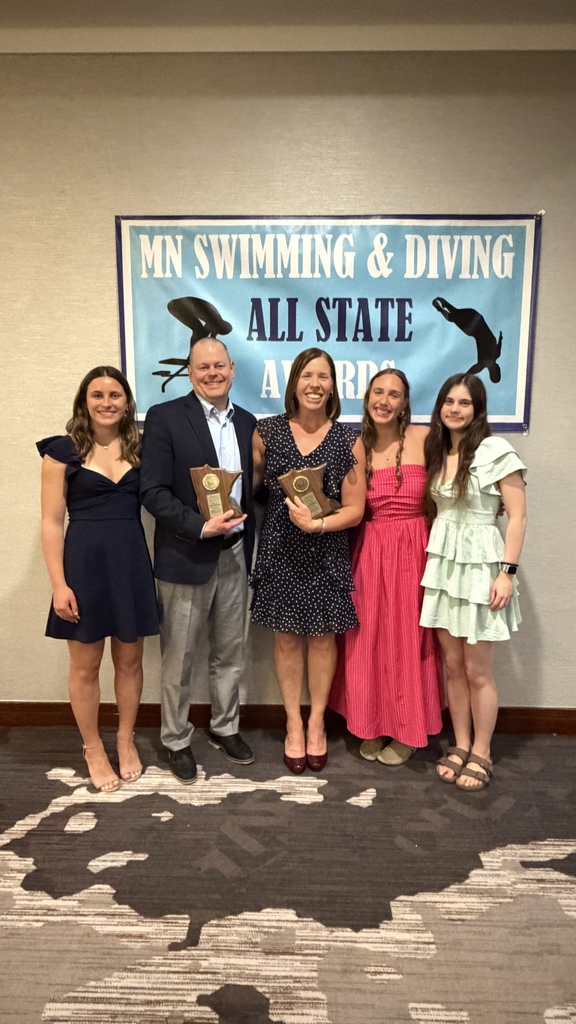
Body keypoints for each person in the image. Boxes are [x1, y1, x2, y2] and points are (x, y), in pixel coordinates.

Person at [140, 336, 256, 784]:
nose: (212, 373)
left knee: (230, 653)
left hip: (235, 554)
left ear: (232, 370)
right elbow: (152, 491)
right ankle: (175, 739)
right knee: (179, 658)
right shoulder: (165, 417)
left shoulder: (247, 422)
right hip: (186, 553)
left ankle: (224, 727)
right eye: (203, 367)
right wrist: (200, 526)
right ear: (190, 373)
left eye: (219, 366)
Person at [38, 366, 160, 793]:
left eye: (115, 395)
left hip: (130, 562)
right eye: (97, 395)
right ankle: (92, 748)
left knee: (129, 661)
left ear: (127, 403)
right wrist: (58, 585)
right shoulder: (61, 452)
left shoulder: (142, 448)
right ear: (84, 402)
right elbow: (51, 523)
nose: (107, 402)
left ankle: (125, 739)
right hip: (83, 566)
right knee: (86, 665)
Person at [250, 347, 366, 774]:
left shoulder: (348, 439)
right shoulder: (267, 432)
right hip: (281, 551)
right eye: (307, 375)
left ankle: (316, 722)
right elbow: (247, 490)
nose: (315, 384)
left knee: (321, 640)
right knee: (285, 640)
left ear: (333, 387)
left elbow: (355, 510)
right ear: (294, 383)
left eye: (323, 377)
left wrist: (318, 525)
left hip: (325, 552)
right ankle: (293, 724)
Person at [329, 369, 444, 765]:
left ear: (405, 402)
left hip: (416, 549)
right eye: (378, 392)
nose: (384, 400)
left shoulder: (425, 438)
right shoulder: (356, 445)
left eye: (394, 394)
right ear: (367, 398)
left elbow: (455, 481)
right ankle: (372, 721)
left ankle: (408, 727)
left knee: (410, 639)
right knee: (370, 638)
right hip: (371, 550)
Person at [420, 372, 527, 791]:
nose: (455, 409)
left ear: (478, 409)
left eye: (464, 402)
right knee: (453, 666)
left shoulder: (495, 450)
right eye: (449, 401)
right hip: (445, 568)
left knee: (478, 669)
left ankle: (482, 751)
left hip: (483, 568)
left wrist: (506, 572)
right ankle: (461, 743)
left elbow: (517, 516)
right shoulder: (438, 450)